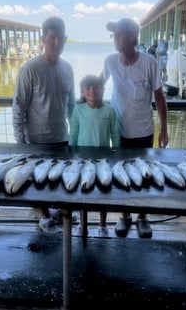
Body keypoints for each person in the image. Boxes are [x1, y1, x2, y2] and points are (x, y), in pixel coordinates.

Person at [102, 18, 169, 239]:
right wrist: (83, 109)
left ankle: (142, 217)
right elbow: (97, 84)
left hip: (143, 131)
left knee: (144, 176)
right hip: (118, 131)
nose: (116, 39)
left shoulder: (149, 63)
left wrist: (164, 129)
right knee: (121, 175)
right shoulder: (110, 61)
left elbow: (159, 96)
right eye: (114, 35)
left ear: (132, 37)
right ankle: (124, 216)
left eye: (120, 34)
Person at [12, 16, 75, 234]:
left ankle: (57, 212)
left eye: (61, 38)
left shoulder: (68, 68)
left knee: (59, 180)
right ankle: (44, 216)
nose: (56, 43)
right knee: (37, 182)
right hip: (36, 140)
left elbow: (72, 106)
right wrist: (21, 144)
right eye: (52, 38)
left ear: (66, 39)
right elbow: (18, 107)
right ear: (43, 39)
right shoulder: (30, 69)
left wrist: (77, 134)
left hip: (62, 138)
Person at [69, 74, 120, 238]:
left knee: (103, 191)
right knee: (82, 191)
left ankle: (103, 224)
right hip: (83, 159)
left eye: (96, 87)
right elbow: (73, 134)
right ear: (83, 92)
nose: (92, 91)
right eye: (88, 88)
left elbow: (115, 135)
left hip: (103, 160)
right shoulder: (78, 110)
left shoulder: (109, 110)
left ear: (102, 90)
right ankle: (82, 223)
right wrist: (72, 154)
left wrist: (116, 153)